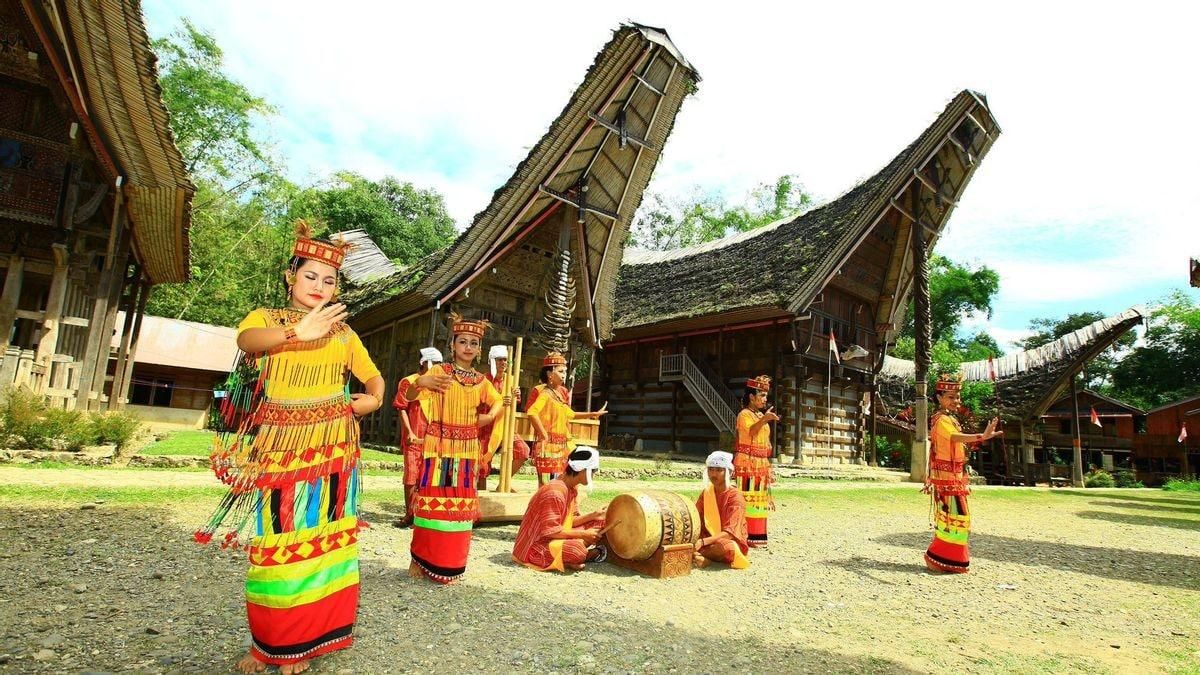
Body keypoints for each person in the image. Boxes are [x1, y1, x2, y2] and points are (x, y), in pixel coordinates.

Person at [197, 220, 390, 674]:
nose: (319, 287)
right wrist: (296, 334)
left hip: (335, 447)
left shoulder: (343, 333)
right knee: (278, 542)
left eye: (329, 280)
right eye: (310, 276)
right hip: (282, 449)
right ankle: (272, 643)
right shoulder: (268, 319)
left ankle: (311, 640)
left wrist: (375, 397)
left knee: (326, 542)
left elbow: (373, 375)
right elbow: (247, 342)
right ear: (291, 277)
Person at [408, 313, 502, 583]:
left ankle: (451, 564)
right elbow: (410, 396)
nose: (468, 347)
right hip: (437, 449)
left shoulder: (481, 382)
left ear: (480, 349)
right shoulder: (439, 373)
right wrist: (419, 382)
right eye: (463, 341)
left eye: (474, 343)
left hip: (465, 452)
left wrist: (488, 416)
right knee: (430, 505)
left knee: (459, 510)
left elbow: (498, 402)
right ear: (452, 345)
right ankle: (419, 559)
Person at [924, 373, 1002, 574]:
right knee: (956, 518)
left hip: (954, 477)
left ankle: (945, 559)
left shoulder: (949, 418)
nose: (956, 401)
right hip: (947, 478)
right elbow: (954, 438)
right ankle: (941, 558)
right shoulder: (942, 420)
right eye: (951, 397)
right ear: (939, 398)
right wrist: (981, 436)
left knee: (954, 518)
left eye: (957, 397)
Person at [512, 447, 608, 571]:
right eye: (593, 472)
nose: (593, 475)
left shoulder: (571, 488)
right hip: (534, 547)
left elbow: (569, 521)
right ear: (584, 470)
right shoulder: (554, 492)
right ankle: (581, 556)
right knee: (576, 550)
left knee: (601, 521)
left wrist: (593, 515)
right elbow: (549, 531)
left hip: (555, 536)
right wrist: (583, 534)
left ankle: (568, 556)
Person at [526, 352, 607, 485]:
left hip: (561, 446)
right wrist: (544, 435)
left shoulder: (558, 394)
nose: (564, 374)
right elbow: (532, 412)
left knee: (559, 484)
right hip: (549, 448)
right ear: (549, 373)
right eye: (561, 371)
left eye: (565, 371)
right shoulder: (545, 393)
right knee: (547, 487)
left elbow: (571, 414)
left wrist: (592, 414)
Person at [392, 347, 442, 527]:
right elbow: (402, 407)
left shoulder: (438, 384)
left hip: (432, 437)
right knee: (411, 476)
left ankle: (422, 513)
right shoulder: (409, 381)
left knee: (427, 476)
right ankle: (409, 513)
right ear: (425, 363)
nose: (437, 368)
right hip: (414, 436)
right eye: (435, 364)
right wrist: (409, 432)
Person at [476, 344, 530, 491]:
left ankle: (502, 484)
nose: (503, 363)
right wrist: (499, 401)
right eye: (499, 360)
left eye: (505, 360)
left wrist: (516, 396)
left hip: (504, 425)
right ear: (493, 361)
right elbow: (481, 401)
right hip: (487, 426)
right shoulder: (484, 380)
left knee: (523, 450)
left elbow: (514, 404)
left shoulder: (511, 380)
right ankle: (480, 497)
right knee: (482, 464)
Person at [734, 375, 778, 547]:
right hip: (747, 462)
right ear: (751, 397)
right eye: (762, 395)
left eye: (766, 396)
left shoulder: (760, 415)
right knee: (746, 498)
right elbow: (751, 432)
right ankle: (743, 534)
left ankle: (757, 535)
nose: (765, 399)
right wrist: (765, 420)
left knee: (759, 500)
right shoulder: (744, 414)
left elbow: (763, 437)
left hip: (761, 463)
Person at [693, 451, 751, 569]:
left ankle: (699, 556)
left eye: (719, 470)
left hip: (725, 540)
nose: (713, 474)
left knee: (726, 547)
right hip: (706, 538)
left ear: (728, 472)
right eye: (711, 469)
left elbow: (730, 533)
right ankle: (699, 555)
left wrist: (703, 542)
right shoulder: (707, 493)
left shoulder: (735, 497)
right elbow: (695, 516)